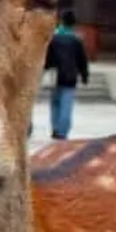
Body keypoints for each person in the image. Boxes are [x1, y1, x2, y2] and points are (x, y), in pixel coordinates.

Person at [43, 9, 89, 140]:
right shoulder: (76, 40)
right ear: (73, 23)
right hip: (70, 76)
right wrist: (84, 76)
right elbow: (82, 60)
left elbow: (47, 57)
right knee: (66, 105)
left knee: (55, 103)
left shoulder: (53, 38)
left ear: (61, 21)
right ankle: (63, 131)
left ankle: (55, 128)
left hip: (54, 75)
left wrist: (45, 69)